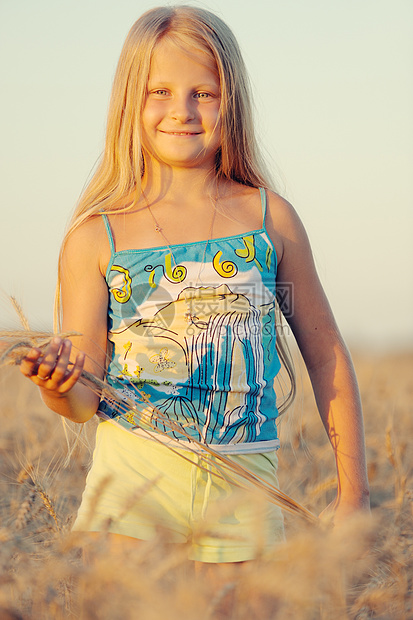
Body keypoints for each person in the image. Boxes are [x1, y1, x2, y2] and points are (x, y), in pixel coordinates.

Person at [19, 6, 369, 565]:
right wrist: (57, 385)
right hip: (129, 509)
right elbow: (85, 399)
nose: (180, 111)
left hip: (246, 506)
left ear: (232, 100)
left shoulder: (268, 219)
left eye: (202, 93)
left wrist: (354, 494)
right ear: (129, 101)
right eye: (159, 90)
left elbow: (326, 355)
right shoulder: (96, 238)